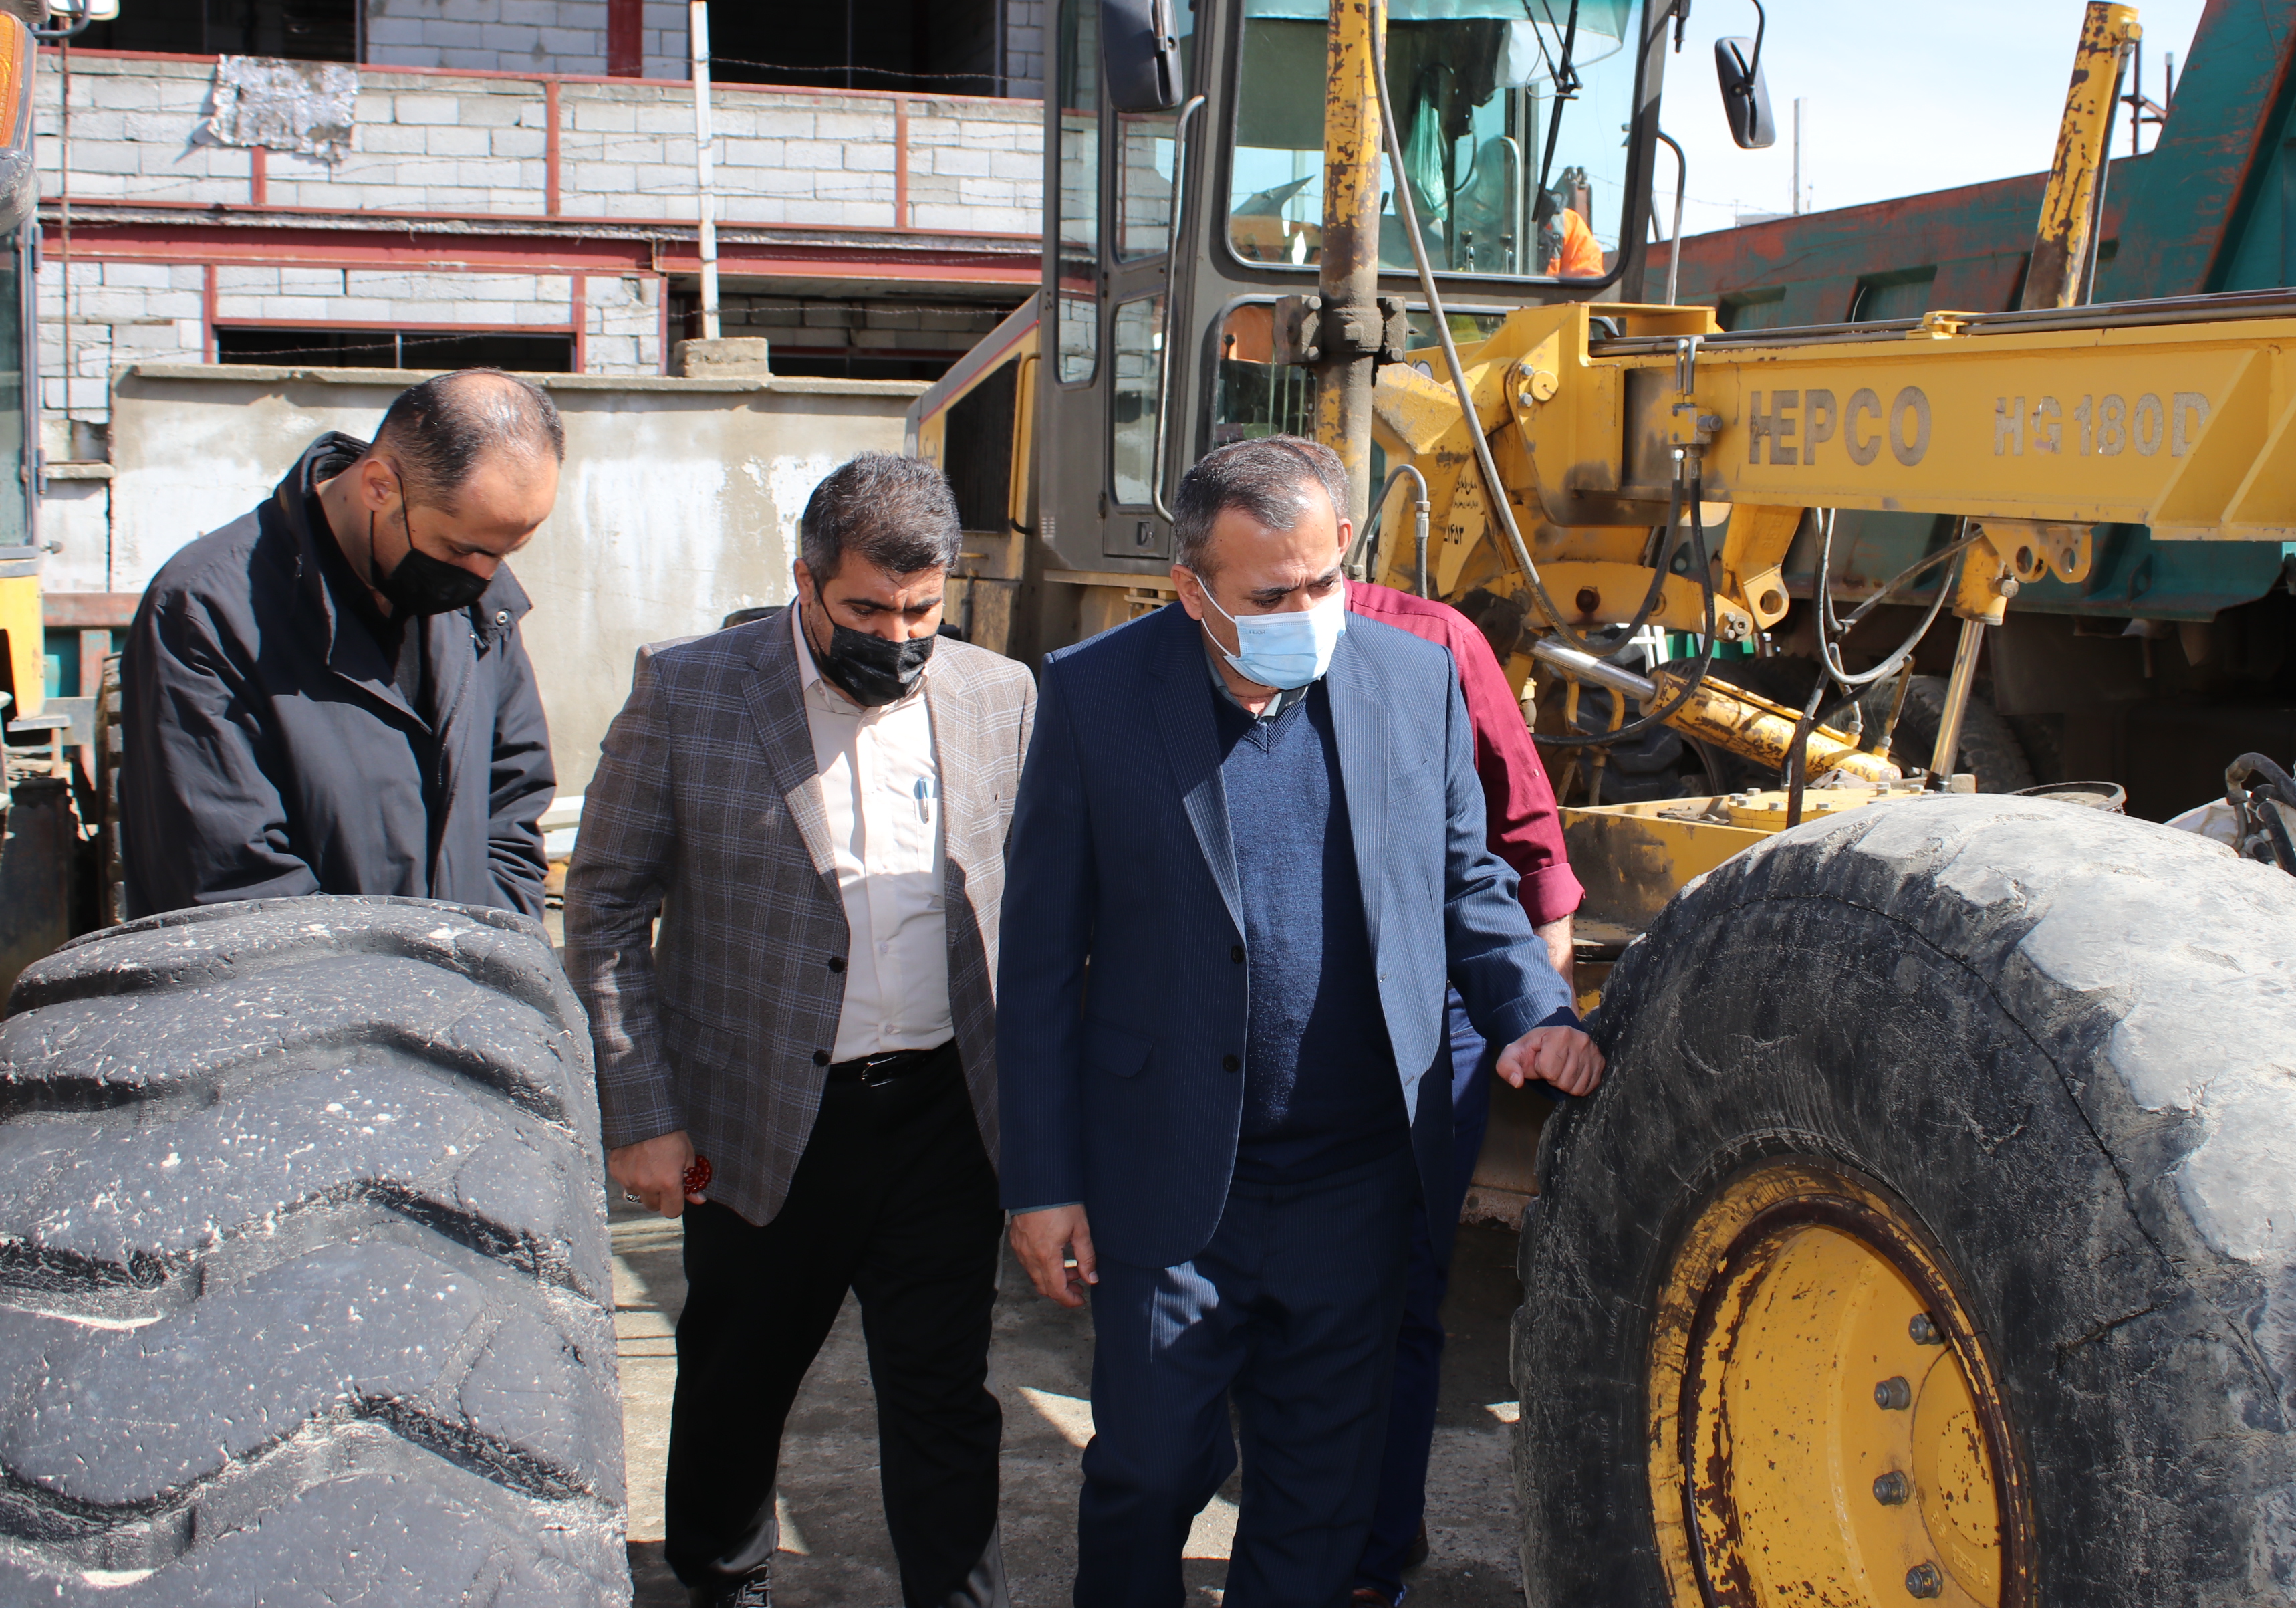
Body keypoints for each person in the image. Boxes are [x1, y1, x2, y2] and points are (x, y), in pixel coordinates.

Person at [997, 435, 1604, 1607]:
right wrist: (1040, 1180)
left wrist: (1534, 1009)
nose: (1306, 611)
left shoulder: (1407, 678)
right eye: (1270, 595)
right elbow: (1033, 963)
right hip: (1172, 1183)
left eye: (1323, 581)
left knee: (1320, 1499)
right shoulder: (1093, 694)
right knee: (1148, 1468)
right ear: (1191, 591)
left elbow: (1465, 880)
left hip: (1357, 1181)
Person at [566, 453, 1034, 1608]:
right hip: (765, 1111)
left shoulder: (997, 694)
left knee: (941, 1389)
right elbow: (608, 905)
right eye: (867, 609)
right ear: (806, 583)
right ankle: (724, 1586)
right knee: (738, 1377)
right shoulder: (690, 690)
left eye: (924, 611)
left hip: (940, 1111)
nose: (899, 635)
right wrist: (643, 1111)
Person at [1340, 577, 1581, 1607]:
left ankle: (1372, 1558)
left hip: (1424, 1020)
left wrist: (1545, 1015)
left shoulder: (1431, 644)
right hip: (1259, 1026)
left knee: (1401, 1295)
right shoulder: (1181, 646)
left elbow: (1523, 844)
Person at [121, 368, 563, 918]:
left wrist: (494, 952)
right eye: (459, 549)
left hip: (467, 991)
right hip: (299, 998)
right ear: (378, 485)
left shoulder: (479, 607)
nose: (483, 575)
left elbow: (514, 801)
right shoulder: (205, 611)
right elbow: (228, 881)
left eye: (505, 553)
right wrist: (381, 994)